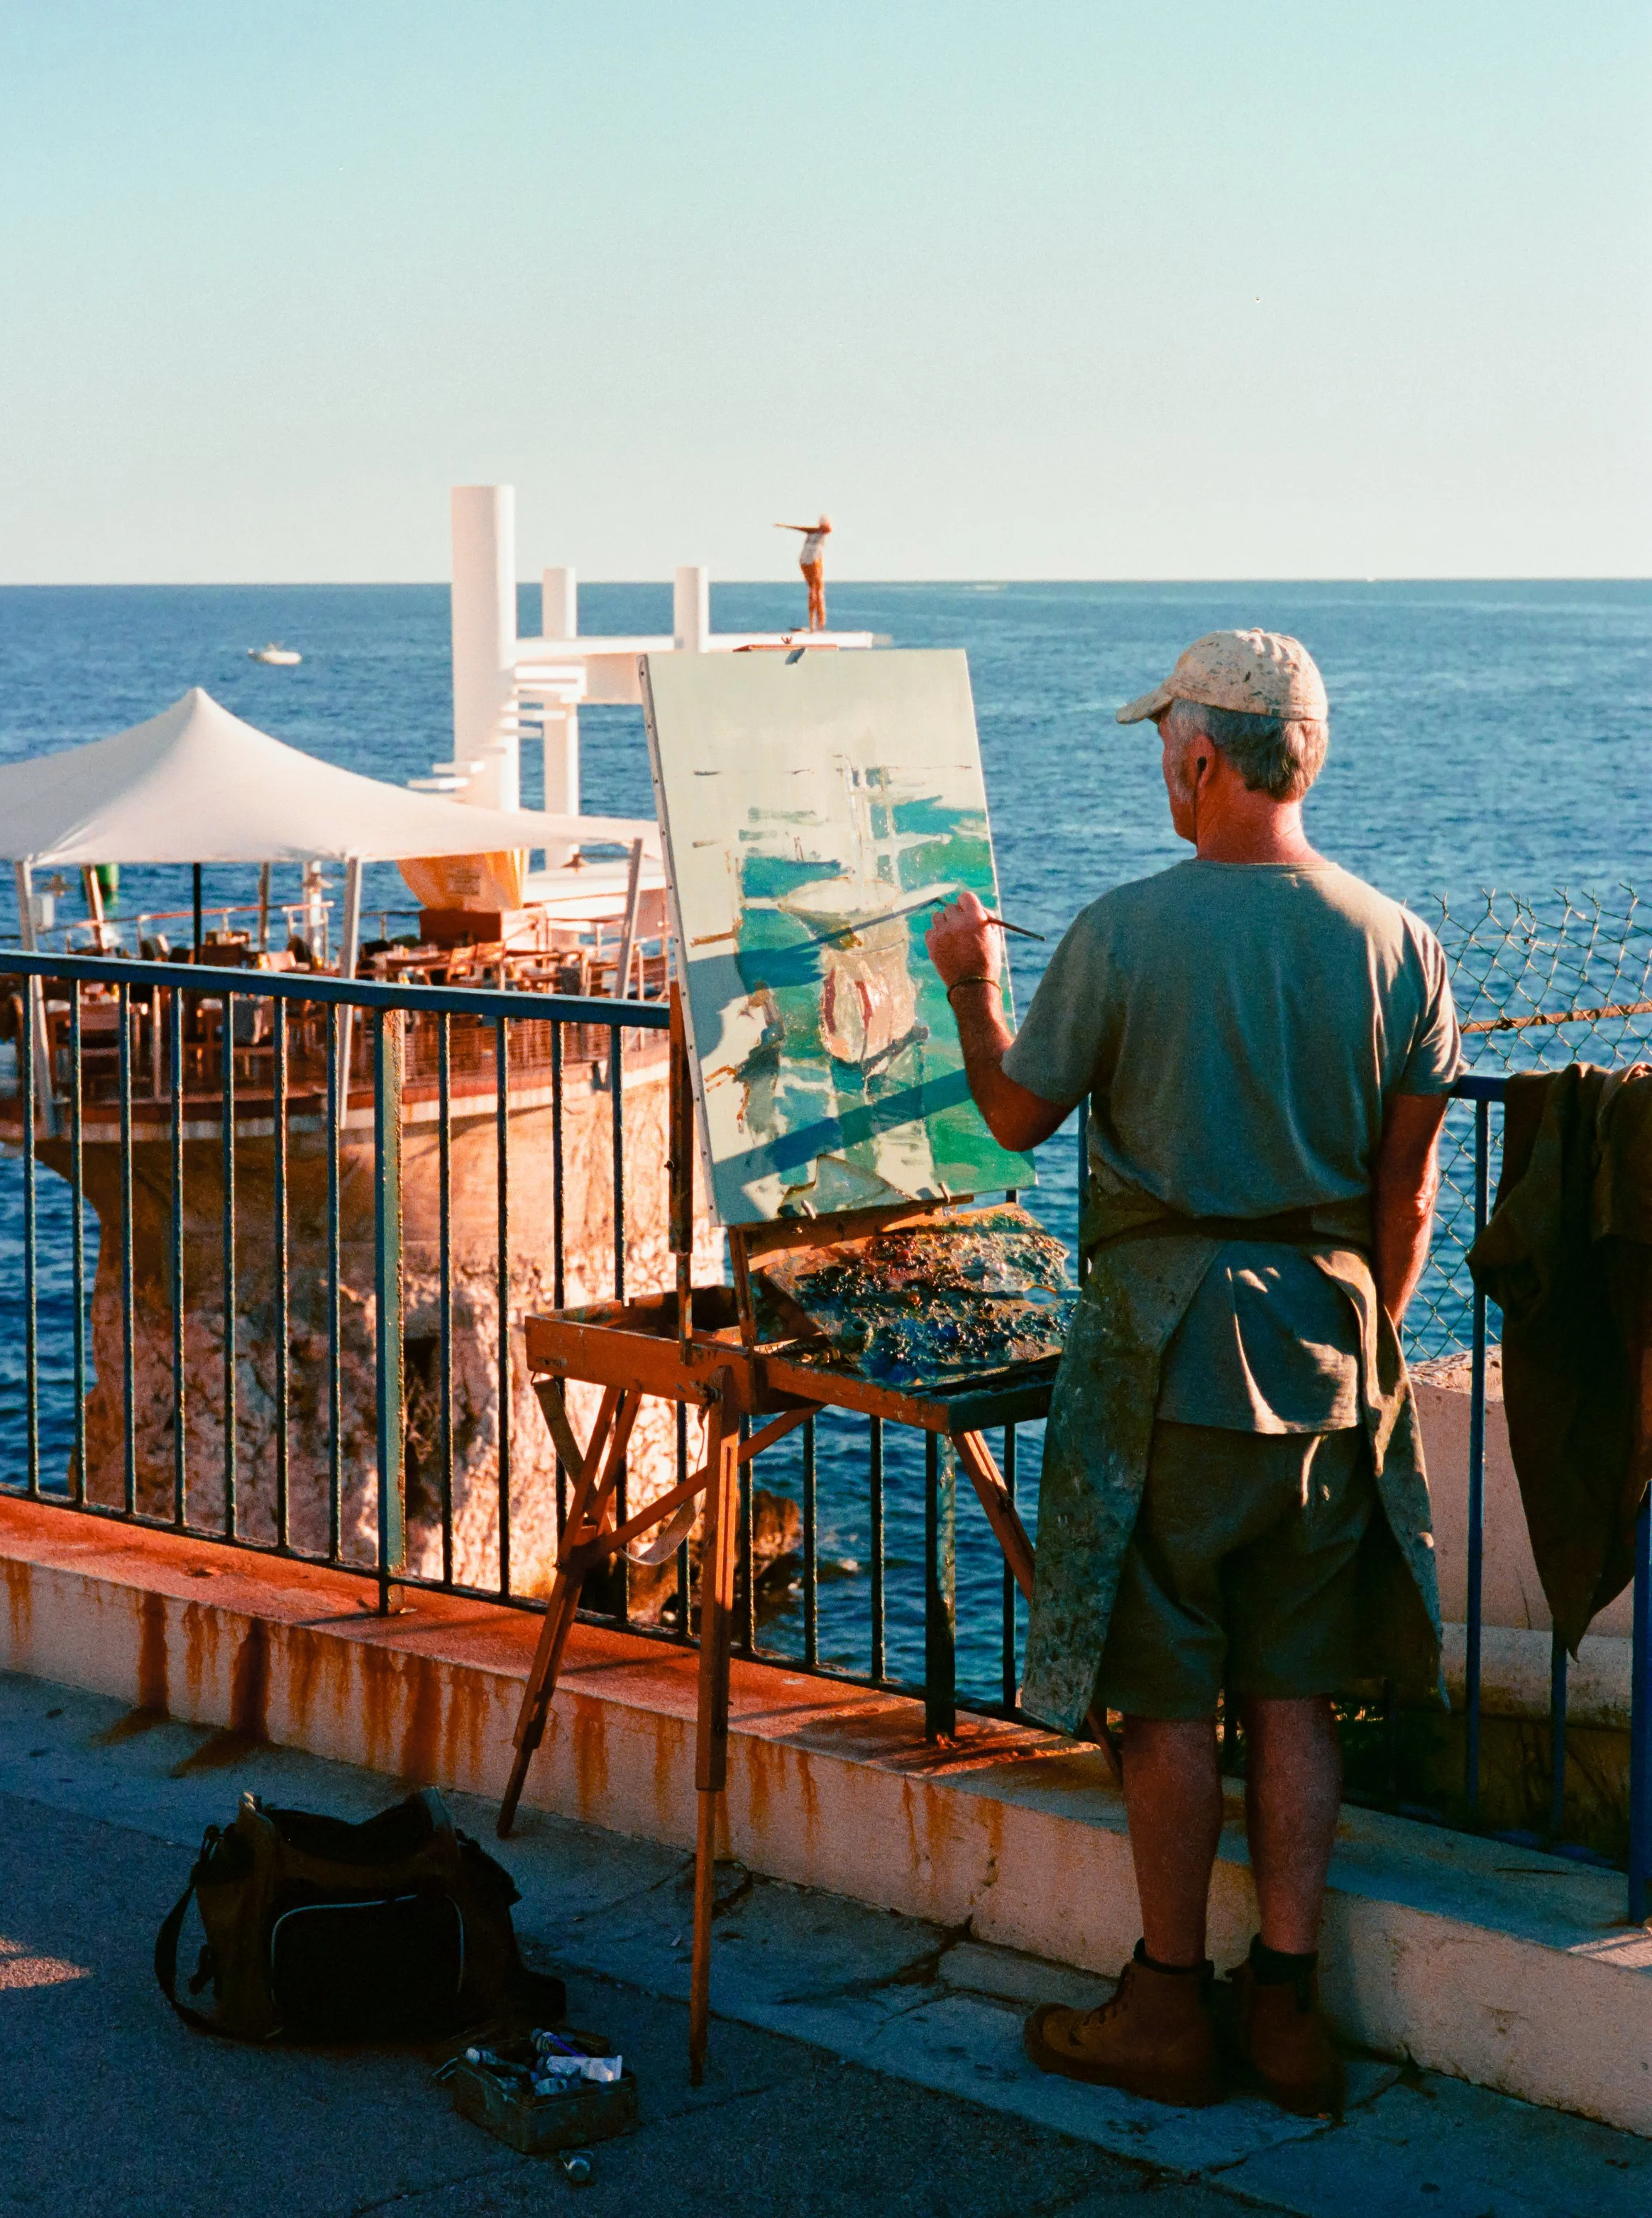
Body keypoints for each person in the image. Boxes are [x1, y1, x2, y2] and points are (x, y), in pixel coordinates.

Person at [924, 629, 1460, 2117]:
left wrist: (970, 982)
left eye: (1165, 747)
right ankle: (1285, 2009)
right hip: (1327, 1348)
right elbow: (1402, 1200)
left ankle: (1165, 2000)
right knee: (1293, 1690)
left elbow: (1018, 1113)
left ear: (1201, 760)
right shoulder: (1395, 940)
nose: (1161, 771)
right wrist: (1360, 1335)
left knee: (1163, 1695)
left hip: (1159, 1358)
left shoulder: (1119, 929)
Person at [774, 513, 832, 630]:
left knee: (814, 590)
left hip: (804, 560)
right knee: (817, 591)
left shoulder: (815, 532)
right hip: (812, 560)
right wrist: (789, 526)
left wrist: (787, 526)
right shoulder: (820, 532)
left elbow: (821, 529)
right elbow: (826, 529)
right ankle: (816, 625)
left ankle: (816, 624)